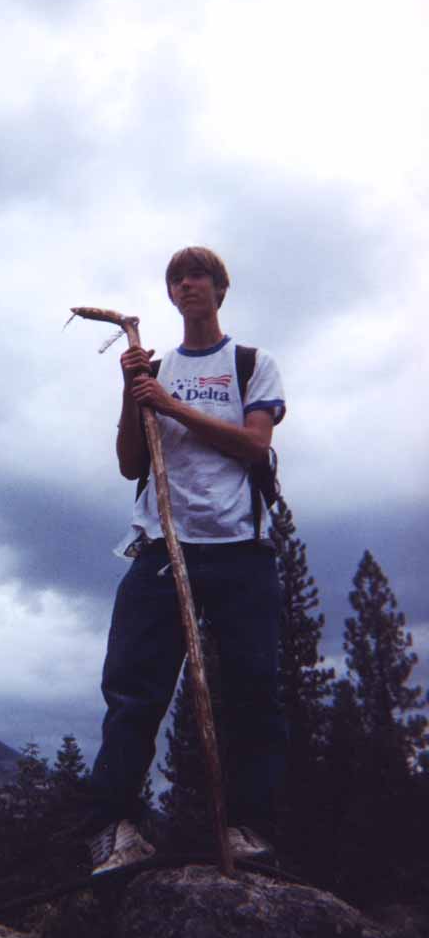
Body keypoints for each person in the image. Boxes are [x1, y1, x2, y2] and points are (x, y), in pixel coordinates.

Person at [85, 246, 287, 874]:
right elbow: (130, 465)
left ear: (220, 289)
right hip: (160, 544)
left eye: (199, 275)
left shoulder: (251, 363)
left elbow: (255, 447)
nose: (188, 283)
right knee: (133, 689)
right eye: (177, 277)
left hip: (237, 548)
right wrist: (133, 392)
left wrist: (171, 406)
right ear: (170, 294)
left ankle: (248, 830)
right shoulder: (158, 366)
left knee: (253, 689)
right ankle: (115, 829)